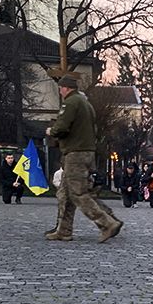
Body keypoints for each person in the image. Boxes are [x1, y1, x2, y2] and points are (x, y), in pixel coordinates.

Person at [45, 77, 122, 242]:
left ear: (65, 88)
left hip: (75, 153)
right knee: (65, 193)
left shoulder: (71, 103)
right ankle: (64, 230)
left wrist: (51, 131)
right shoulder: (86, 104)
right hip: (86, 151)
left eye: (60, 88)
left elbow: (62, 126)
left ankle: (107, 223)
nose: (60, 91)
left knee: (78, 193)